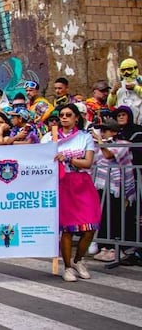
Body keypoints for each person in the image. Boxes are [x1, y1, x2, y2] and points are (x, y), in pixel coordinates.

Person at [42, 104, 100, 282]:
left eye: (69, 115)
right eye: (62, 115)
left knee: (90, 227)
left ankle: (78, 260)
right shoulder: (49, 138)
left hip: (82, 182)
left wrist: (68, 158)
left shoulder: (85, 137)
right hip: (62, 183)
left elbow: (88, 162)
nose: (64, 118)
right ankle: (67, 267)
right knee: (67, 229)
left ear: (76, 117)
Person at [90, 118, 136, 262]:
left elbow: (109, 155)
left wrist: (100, 141)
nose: (102, 133)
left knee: (115, 216)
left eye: (105, 130)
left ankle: (116, 247)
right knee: (103, 216)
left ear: (114, 132)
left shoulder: (123, 144)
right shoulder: (99, 144)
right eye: (101, 130)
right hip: (101, 184)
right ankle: (104, 245)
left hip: (117, 186)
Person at [108, 58, 142, 124]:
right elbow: (110, 104)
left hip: (139, 121)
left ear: (135, 69)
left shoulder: (140, 81)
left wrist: (136, 88)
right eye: (123, 70)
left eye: (129, 69)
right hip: (123, 121)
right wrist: (113, 92)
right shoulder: (119, 84)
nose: (126, 73)